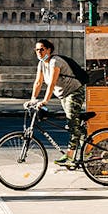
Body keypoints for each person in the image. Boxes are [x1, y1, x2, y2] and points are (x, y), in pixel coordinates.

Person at [27, 38, 86, 167]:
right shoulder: (42, 64)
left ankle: (70, 157)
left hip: (74, 92)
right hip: (63, 95)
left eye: (41, 49)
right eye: (36, 50)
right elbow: (38, 82)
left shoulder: (55, 61)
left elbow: (52, 83)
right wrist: (32, 99)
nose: (39, 52)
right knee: (75, 125)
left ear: (49, 50)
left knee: (72, 123)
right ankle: (86, 148)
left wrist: (45, 101)